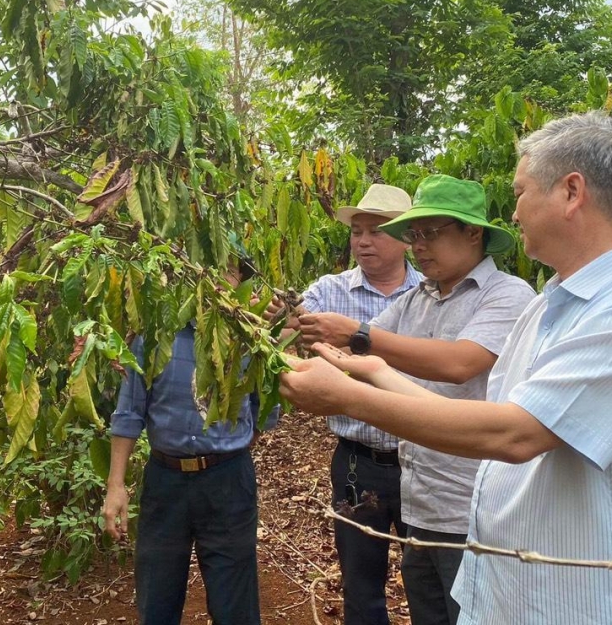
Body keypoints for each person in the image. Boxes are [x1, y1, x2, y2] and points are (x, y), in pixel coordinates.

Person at [279, 112, 612, 625]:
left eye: (522, 191)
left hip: (589, 603)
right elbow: (494, 412)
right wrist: (372, 373)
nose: (516, 209)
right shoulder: (549, 307)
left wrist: (348, 396)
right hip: (514, 593)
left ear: (571, 192)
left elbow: (516, 435)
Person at [296, 175, 534, 625]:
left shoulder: (509, 296)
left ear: (472, 233)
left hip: (475, 510)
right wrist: (297, 350)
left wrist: (357, 335)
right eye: (414, 234)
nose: (419, 245)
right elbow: (356, 355)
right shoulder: (416, 301)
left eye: (431, 233)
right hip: (421, 501)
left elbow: (460, 364)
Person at [274, 183, 422, 625]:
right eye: (356, 231)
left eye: (375, 231)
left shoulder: (429, 294)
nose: (362, 241)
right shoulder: (328, 290)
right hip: (358, 463)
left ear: (406, 237)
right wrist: (277, 320)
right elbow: (285, 332)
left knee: (430, 579)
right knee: (361, 585)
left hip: (425, 461)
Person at [103, 267, 279, 625]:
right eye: (207, 269)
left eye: (228, 273)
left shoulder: (251, 340)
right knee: (157, 598)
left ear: (239, 283)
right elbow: (129, 412)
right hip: (165, 482)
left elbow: (265, 411)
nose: (216, 282)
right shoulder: (155, 337)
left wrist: (229, 447)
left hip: (228, 481)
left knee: (235, 604)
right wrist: (115, 485)